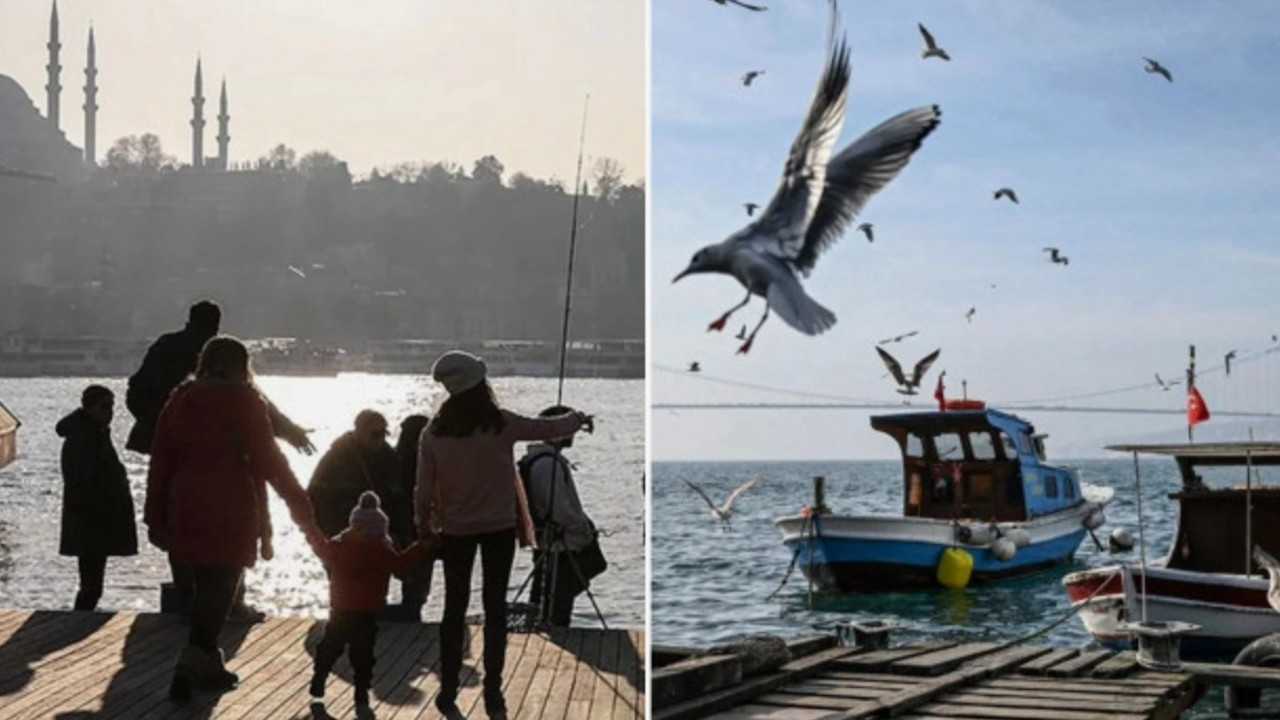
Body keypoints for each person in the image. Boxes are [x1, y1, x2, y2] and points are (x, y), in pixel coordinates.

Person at [144, 335, 323, 702]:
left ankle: (207, 664)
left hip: (184, 501)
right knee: (220, 587)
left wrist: (154, 515)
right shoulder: (243, 401)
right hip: (229, 504)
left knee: (200, 589)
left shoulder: (180, 400)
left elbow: (160, 461)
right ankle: (191, 660)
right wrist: (300, 505)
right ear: (242, 366)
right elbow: (269, 460)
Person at [416, 350, 592, 720]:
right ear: (481, 385)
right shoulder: (501, 424)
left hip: (455, 533)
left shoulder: (433, 433)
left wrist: (424, 529)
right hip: (497, 530)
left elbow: (422, 490)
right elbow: (547, 428)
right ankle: (493, 694)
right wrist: (576, 418)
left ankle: (448, 693)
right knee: (495, 609)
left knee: (453, 610)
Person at [125, 300, 315, 622]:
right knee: (231, 541)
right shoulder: (226, 369)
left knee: (180, 534)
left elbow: (135, 390)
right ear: (216, 323)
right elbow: (261, 421)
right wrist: (292, 435)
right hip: (226, 475)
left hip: (177, 462)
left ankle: (189, 606)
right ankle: (231, 605)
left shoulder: (172, 373)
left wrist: (153, 424)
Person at [307, 491, 434, 719]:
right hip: (366, 613)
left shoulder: (339, 546)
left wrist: (311, 530)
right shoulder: (381, 549)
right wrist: (421, 546)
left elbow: (320, 548)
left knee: (329, 647)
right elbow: (401, 566)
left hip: (340, 610)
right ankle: (361, 697)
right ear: (380, 527)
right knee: (363, 656)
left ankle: (319, 679)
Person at [307, 410, 418, 616]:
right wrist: (331, 535)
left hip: (378, 537)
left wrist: (402, 535)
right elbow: (316, 498)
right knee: (343, 591)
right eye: (374, 434)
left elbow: (399, 500)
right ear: (358, 431)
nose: (380, 440)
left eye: (383, 434)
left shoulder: (389, 459)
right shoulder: (336, 459)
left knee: (373, 590)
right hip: (342, 534)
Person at [520, 404, 604, 627]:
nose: (574, 434)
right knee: (555, 605)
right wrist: (583, 530)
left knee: (547, 599)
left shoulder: (542, 461)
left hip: (550, 543)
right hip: (558, 546)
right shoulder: (547, 465)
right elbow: (560, 510)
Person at [56, 385, 138, 611]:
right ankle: (80, 619)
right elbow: (83, 481)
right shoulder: (85, 437)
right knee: (91, 584)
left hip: (94, 520)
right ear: (89, 407)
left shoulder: (94, 433)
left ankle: (80, 618)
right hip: (91, 521)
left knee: (92, 582)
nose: (110, 412)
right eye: (104, 407)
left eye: (111, 407)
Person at [395, 413, 435, 616]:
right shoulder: (424, 460)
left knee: (413, 577)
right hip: (412, 527)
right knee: (417, 578)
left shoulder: (393, 459)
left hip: (403, 527)